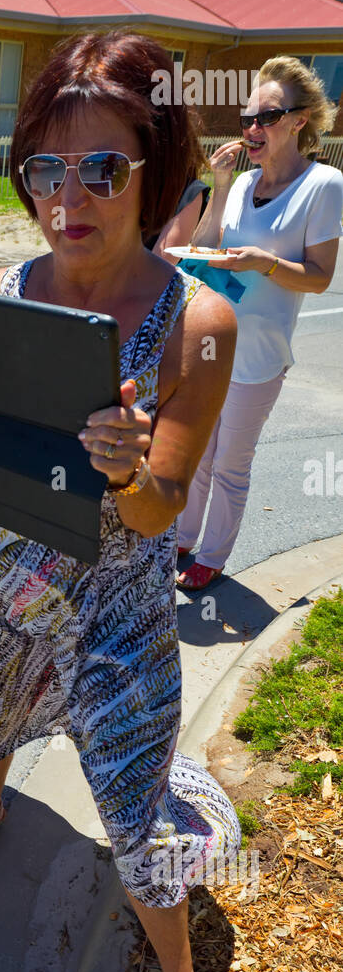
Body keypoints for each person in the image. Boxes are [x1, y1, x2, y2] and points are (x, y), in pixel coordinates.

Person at [0, 31, 244, 972]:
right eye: (44, 171)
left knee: (132, 805)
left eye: (101, 169)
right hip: (4, 567)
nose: (68, 199)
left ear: (153, 168)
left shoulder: (194, 325)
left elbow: (159, 510)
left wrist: (125, 463)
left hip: (112, 604)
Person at [176, 56, 343, 590]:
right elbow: (199, 251)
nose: (252, 129)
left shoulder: (324, 185)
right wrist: (221, 183)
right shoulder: (243, 181)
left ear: (300, 121)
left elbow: (318, 278)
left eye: (266, 118)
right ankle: (181, 541)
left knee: (230, 462)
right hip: (211, 344)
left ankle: (213, 556)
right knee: (197, 451)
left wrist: (264, 262)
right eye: (247, 118)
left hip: (260, 356)